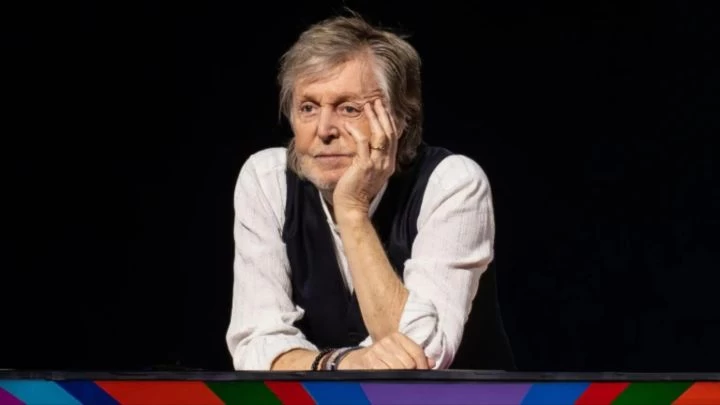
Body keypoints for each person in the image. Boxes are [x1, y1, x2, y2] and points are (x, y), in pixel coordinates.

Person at [226, 11, 514, 371]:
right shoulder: (266, 180)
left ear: (399, 118)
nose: (324, 130)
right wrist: (339, 363)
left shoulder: (452, 185)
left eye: (348, 108)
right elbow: (254, 344)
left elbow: (421, 356)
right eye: (308, 108)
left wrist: (352, 210)